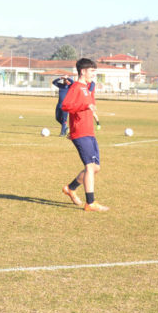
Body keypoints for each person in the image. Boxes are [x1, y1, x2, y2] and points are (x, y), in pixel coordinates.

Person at [60, 58, 109, 212]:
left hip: (89, 131)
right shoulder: (76, 87)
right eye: (92, 71)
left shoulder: (86, 88)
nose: (94, 74)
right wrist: (85, 106)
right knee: (89, 167)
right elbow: (66, 105)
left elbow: (87, 106)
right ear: (83, 71)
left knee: (96, 168)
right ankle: (90, 203)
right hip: (81, 132)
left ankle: (70, 188)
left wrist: (91, 108)